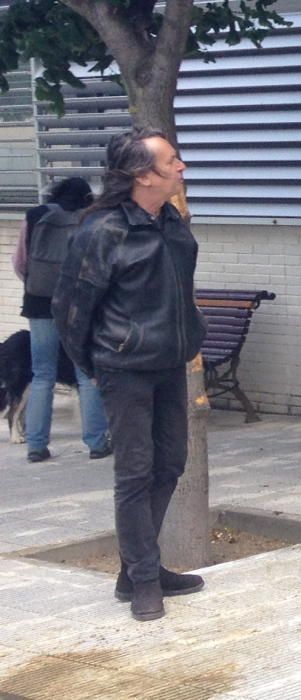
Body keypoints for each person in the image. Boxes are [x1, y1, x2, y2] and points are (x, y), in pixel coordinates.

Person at [53, 128, 207, 621]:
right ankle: (143, 580)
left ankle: (136, 567)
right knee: (134, 474)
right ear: (143, 175)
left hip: (170, 363)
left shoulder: (172, 222)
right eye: (172, 161)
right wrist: (95, 366)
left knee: (170, 465)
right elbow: (71, 310)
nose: (182, 167)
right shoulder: (101, 232)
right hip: (125, 369)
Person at [11, 177, 111, 463]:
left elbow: (20, 262)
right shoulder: (91, 219)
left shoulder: (35, 216)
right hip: (79, 306)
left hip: (39, 305)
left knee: (42, 374)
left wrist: (36, 286)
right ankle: (96, 442)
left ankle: (36, 446)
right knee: (84, 372)